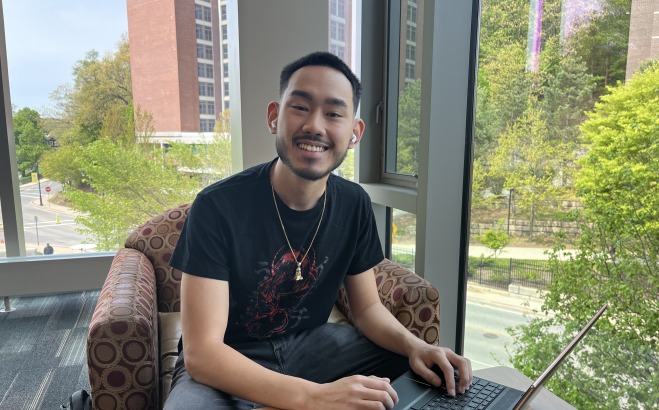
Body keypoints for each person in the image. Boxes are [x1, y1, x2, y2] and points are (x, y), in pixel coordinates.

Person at [165, 51, 472, 410]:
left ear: (354, 132)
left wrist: (415, 346)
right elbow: (203, 354)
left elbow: (368, 307)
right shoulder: (217, 207)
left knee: (428, 375)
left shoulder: (354, 203)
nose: (315, 125)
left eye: (334, 113)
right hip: (228, 357)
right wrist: (314, 396)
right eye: (299, 107)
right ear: (274, 117)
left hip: (313, 346)